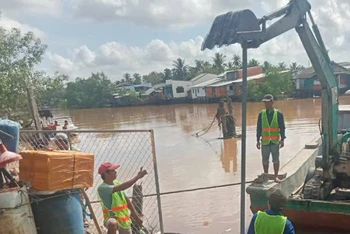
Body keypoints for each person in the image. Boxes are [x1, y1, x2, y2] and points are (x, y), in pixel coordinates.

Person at [98, 162, 147, 234]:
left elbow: (127, 201)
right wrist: (137, 177)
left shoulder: (117, 183)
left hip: (124, 221)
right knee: (112, 223)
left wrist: (136, 217)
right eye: (113, 170)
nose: (115, 172)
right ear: (106, 174)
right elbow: (122, 187)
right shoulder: (102, 188)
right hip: (111, 218)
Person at [256, 94, 286, 183]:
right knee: (265, 160)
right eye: (265, 102)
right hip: (265, 142)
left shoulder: (278, 114)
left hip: (275, 141)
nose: (266, 104)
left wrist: (283, 139)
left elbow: (282, 127)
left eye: (267, 102)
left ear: (272, 102)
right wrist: (257, 140)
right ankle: (266, 176)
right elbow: (259, 128)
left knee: (275, 159)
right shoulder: (261, 114)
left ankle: (276, 176)